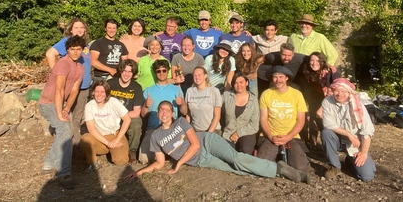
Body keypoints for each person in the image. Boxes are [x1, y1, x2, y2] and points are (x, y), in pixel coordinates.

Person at [126, 101, 311, 184]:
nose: (164, 113)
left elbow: (195, 144)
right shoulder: (156, 136)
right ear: (158, 114)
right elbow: (159, 162)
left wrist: (179, 164)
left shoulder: (181, 122)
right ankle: (276, 170)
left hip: (207, 141)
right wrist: (140, 172)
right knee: (235, 170)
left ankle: (284, 170)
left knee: (236, 158)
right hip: (200, 160)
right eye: (161, 110)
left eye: (167, 110)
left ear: (172, 113)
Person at [38, 35, 86, 189]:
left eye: (78, 49)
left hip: (62, 103)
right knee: (65, 130)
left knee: (68, 131)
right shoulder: (63, 64)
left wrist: (66, 109)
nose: (76, 52)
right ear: (67, 50)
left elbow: (74, 91)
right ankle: (63, 173)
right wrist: (59, 113)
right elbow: (59, 90)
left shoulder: (80, 67)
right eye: (73, 49)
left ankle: (49, 162)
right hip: (48, 103)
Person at [45, 18, 91, 147]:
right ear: (71, 30)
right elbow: (50, 54)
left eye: (82, 27)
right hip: (70, 86)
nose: (79, 30)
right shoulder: (67, 42)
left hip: (83, 86)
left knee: (77, 117)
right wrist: (57, 74)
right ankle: (66, 146)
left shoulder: (85, 45)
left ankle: (75, 145)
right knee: (66, 115)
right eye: (76, 27)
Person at [321, 78, 376, 182]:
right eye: (337, 91)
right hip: (338, 139)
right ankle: (334, 166)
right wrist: (348, 134)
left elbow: (367, 131)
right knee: (326, 133)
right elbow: (328, 124)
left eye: (343, 91)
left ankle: (350, 161)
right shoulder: (327, 101)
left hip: (355, 144)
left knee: (367, 176)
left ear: (348, 92)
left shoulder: (358, 105)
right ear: (333, 91)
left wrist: (364, 152)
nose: (339, 94)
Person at [257, 66, 310, 171]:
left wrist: (288, 137)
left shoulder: (297, 94)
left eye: (281, 77)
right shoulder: (266, 94)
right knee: (261, 164)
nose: (278, 80)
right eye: (275, 77)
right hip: (272, 134)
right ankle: (282, 167)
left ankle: (282, 164)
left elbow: (301, 120)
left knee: (301, 167)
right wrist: (271, 136)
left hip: (291, 134)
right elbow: (263, 119)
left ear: (286, 78)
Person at [139, 60, 187, 163]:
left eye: (164, 70)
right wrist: (146, 105)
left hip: (172, 129)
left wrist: (182, 103)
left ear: (168, 71)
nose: (161, 73)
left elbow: (184, 112)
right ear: (155, 72)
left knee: (182, 153)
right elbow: (143, 114)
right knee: (143, 159)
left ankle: (164, 152)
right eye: (158, 71)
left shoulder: (176, 89)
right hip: (153, 129)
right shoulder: (148, 90)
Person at [80, 80, 131, 170]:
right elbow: (91, 129)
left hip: (115, 135)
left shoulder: (113, 102)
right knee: (85, 139)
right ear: (93, 92)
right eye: (97, 92)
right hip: (99, 137)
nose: (99, 95)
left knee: (120, 161)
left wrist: (116, 140)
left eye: (102, 92)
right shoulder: (89, 106)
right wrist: (108, 143)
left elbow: (127, 119)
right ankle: (93, 162)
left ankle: (113, 150)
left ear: (107, 93)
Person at [107, 59, 144, 163]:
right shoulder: (110, 84)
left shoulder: (136, 87)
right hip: (110, 114)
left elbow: (136, 112)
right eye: (125, 71)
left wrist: (120, 116)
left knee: (136, 123)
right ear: (120, 71)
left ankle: (132, 150)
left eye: (130, 72)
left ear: (133, 74)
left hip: (129, 115)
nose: (127, 74)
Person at [303, 51, 342, 144]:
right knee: (315, 117)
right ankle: (318, 140)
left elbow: (331, 93)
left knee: (324, 118)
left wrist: (321, 109)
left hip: (333, 100)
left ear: (322, 61)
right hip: (318, 96)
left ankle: (335, 142)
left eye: (317, 60)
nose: (314, 63)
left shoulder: (330, 73)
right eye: (312, 60)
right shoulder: (309, 71)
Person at [222, 73, 260, 154]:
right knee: (227, 153)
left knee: (245, 149)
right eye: (236, 83)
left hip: (246, 132)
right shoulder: (226, 96)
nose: (238, 85)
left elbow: (254, 124)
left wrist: (238, 133)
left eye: (241, 82)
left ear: (247, 83)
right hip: (229, 132)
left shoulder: (254, 100)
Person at [185, 66, 222, 133]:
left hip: (212, 130)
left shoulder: (214, 91)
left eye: (199, 75)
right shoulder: (189, 91)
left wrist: (209, 133)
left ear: (205, 76)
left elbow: (217, 116)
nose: (197, 77)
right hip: (195, 130)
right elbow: (188, 114)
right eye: (195, 75)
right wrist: (187, 131)